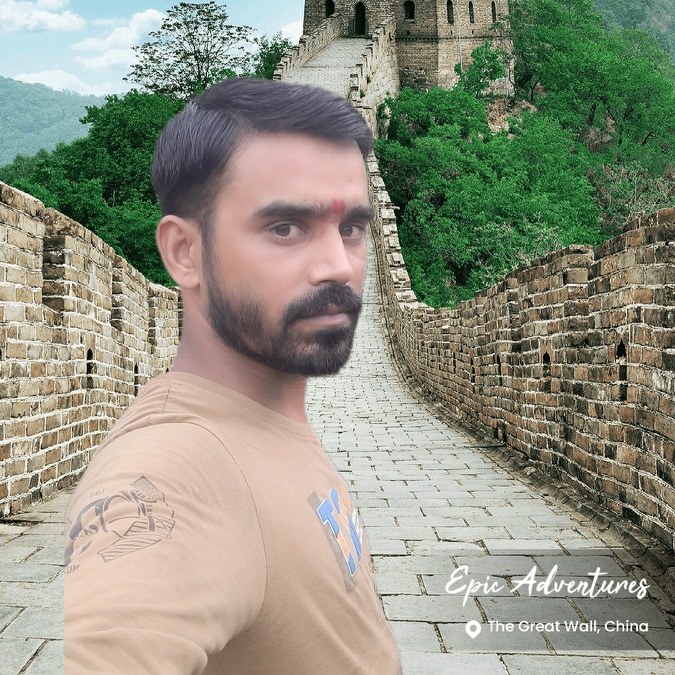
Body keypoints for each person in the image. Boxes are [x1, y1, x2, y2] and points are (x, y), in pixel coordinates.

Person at [64, 77, 402, 674]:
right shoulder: (175, 469)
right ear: (184, 252)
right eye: (285, 228)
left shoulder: (259, 419)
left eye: (350, 228)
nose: (339, 266)